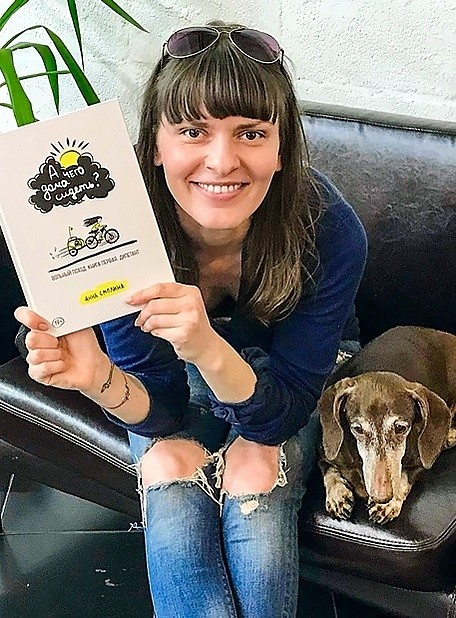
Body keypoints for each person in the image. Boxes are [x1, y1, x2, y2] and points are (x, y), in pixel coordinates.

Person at [15, 22, 367, 618]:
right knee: (169, 465)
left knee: (255, 470)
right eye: (192, 131)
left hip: (294, 373)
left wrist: (205, 345)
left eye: (251, 133)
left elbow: (280, 413)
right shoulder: (115, 225)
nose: (221, 161)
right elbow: (162, 409)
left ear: (281, 149)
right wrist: (98, 378)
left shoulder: (329, 227)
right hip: (178, 376)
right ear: (155, 145)